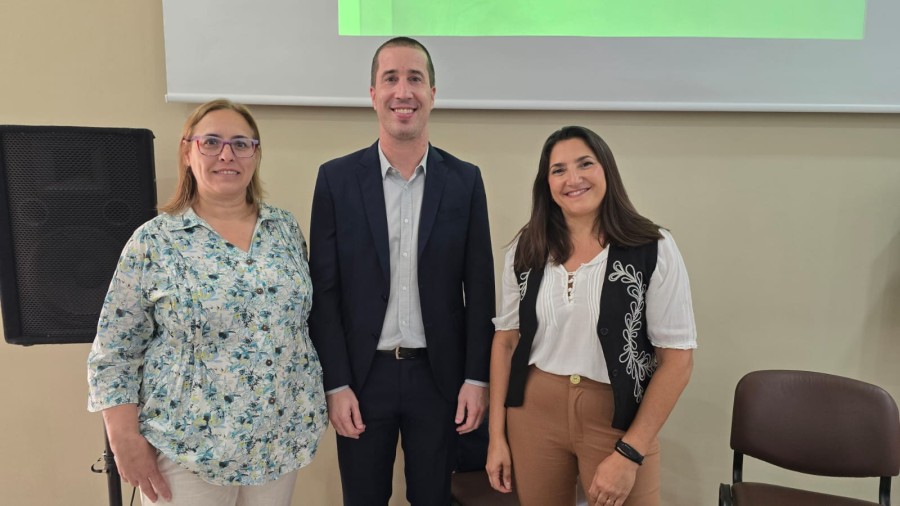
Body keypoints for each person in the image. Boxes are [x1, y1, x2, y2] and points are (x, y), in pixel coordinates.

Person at [87, 99, 327, 505]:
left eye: (241, 144)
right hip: (188, 446)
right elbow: (115, 352)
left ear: (256, 154)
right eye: (211, 142)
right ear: (187, 151)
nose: (227, 155)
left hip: (280, 439)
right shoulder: (154, 241)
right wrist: (124, 438)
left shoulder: (284, 229)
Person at [308, 36, 495, 505]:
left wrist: (477, 378)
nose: (403, 91)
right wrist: (335, 382)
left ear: (433, 92)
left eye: (415, 78)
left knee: (434, 499)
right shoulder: (335, 180)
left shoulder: (465, 181)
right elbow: (324, 293)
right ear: (372, 93)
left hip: (439, 379)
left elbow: (481, 287)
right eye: (390, 78)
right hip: (362, 379)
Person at [486, 126, 696, 506]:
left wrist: (631, 452)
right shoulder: (525, 249)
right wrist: (496, 438)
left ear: (607, 171)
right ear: (546, 183)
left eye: (585, 164)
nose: (573, 179)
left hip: (617, 419)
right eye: (558, 170)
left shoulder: (653, 247)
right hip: (534, 415)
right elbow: (506, 342)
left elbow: (677, 360)